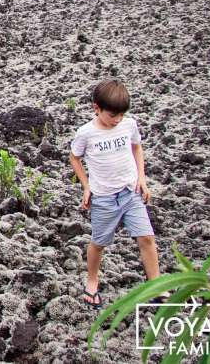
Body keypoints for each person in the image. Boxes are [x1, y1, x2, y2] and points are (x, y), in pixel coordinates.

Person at [68, 78, 159, 310]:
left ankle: (157, 285)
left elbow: (137, 147)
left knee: (147, 237)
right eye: (112, 115)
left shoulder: (128, 125)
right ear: (96, 108)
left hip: (131, 193)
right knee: (99, 243)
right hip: (104, 198)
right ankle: (92, 280)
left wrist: (142, 178)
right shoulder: (86, 134)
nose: (117, 119)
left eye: (121, 114)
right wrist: (86, 186)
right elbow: (74, 157)